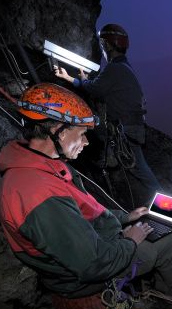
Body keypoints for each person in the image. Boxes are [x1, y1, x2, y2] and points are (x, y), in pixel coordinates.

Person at [0, 83, 172, 299]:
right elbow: (92, 265)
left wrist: (125, 217)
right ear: (59, 131)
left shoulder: (42, 165)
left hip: (90, 247)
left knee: (147, 228)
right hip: (76, 279)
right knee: (165, 244)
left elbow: (83, 213)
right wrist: (130, 241)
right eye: (82, 133)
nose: (86, 141)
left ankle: (158, 286)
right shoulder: (39, 193)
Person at [54, 23, 161, 201]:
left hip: (125, 129)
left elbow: (96, 89)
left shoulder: (115, 69)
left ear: (108, 45)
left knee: (141, 171)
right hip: (130, 127)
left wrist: (80, 79)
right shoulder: (123, 68)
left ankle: (166, 208)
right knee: (139, 169)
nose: (102, 48)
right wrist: (75, 79)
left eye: (103, 44)